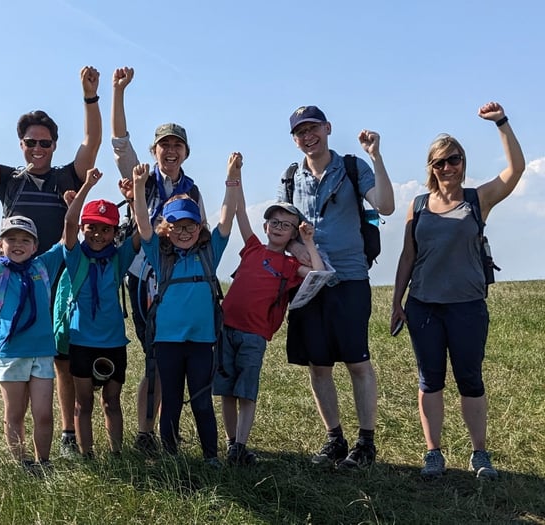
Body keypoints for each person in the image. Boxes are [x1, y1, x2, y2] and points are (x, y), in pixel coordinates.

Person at [0, 66, 102, 458]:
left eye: (45, 143)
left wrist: (90, 96)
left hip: (61, 276)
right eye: (31, 141)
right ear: (21, 144)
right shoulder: (9, 180)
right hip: (18, 283)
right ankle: (40, 444)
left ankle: (66, 434)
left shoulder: (68, 176)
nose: (38, 148)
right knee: (37, 358)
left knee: (61, 359)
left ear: (53, 145)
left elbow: (92, 142)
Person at [391, 102, 525, 480]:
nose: (447, 167)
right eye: (440, 163)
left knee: (470, 379)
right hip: (423, 307)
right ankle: (434, 453)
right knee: (429, 380)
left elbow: (515, 171)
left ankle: (480, 454)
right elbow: (407, 257)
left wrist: (501, 123)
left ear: (463, 163)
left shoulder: (476, 200)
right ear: (430, 169)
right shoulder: (417, 206)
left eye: (454, 160)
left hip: (467, 306)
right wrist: (397, 302)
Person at [278, 105, 395, 469]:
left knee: (358, 363)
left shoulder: (351, 167)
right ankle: (335, 439)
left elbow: (387, 206)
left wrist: (375, 156)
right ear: (294, 139)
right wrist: (297, 249)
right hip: (309, 284)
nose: (307, 136)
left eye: (313, 128)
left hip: (349, 279)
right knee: (318, 365)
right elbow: (283, 228)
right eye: (300, 132)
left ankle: (366, 442)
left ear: (327, 128)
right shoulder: (290, 177)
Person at [111, 66, 206, 453]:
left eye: (176, 146)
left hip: (178, 283)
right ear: (154, 151)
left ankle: (165, 431)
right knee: (154, 354)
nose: (170, 151)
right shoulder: (142, 177)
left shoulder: (192, 189)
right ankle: (146, 432)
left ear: (185, 152)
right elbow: (119, 142)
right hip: (143, 276)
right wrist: (118, 91)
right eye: (163, 146)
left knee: (170, 355)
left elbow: (199, 237)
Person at [131, 152, 240, 466]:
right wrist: (139, 187)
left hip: (203, 342)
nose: (184, 230)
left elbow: (226, 217)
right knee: (173, 402)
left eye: (190, 224)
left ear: (199, 226)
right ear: (166, 227)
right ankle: (170, 457)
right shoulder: (158, 254)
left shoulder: (210, 253)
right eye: (176, 224)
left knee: (203, 401)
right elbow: (142, 222)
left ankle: (210, 457)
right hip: (167, 342)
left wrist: (232, 177)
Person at [214, 164, 325, 465]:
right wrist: (236, 176)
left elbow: (318, 273)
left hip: (254, 336)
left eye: (285, 225)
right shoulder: (252, 248)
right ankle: (230, 442)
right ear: (265, 227)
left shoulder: (290, 266)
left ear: (292, 234)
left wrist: (309, 241)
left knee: (246, 392)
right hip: (226, 328)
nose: (277, 227)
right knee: (226, 391)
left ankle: (241, 444)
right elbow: (239, 213)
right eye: (274, 222)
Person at [0, 204, 65, 474]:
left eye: (25, 240)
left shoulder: (44, 266)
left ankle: (44, 463)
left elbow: (68, 236)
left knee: (44, 414)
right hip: (10, 353)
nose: (18, 244)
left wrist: (78, 197)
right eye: (11, 239)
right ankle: (22, 464)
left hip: (42, 352)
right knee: (15, 414)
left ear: (35, 246)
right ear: (1, 244)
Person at [62, 168, 139, 459]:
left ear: (113, 232)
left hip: (114, 343)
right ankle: (87, 455)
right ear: (84, 228)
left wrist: (132, 200)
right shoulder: (76, 257)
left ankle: (117, 454)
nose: (97, 234)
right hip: (82, 341)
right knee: (83, 404)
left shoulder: (118, 260)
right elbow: (69, 221)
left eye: (106, 228)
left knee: (112, 401)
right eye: (92, 227)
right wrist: (86, 188)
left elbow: (138, 233)